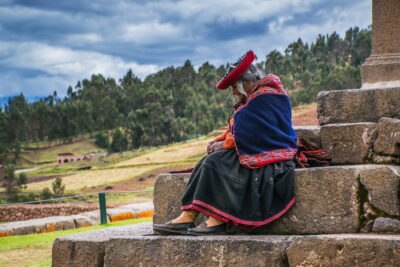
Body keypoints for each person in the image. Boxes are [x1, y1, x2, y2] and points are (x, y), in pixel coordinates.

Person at [154, 50, 298, 235]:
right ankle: (188, 215)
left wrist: (223, 145)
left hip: (270, 155)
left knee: (216, 163)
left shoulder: (266, 96)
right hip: (255, 149)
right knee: (205, 163)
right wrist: (218, 141)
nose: (234, 92)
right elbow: (237, 127)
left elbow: (249, 130)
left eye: (235, 87)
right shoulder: (255, 97)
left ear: (246, 83)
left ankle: (217, 220)